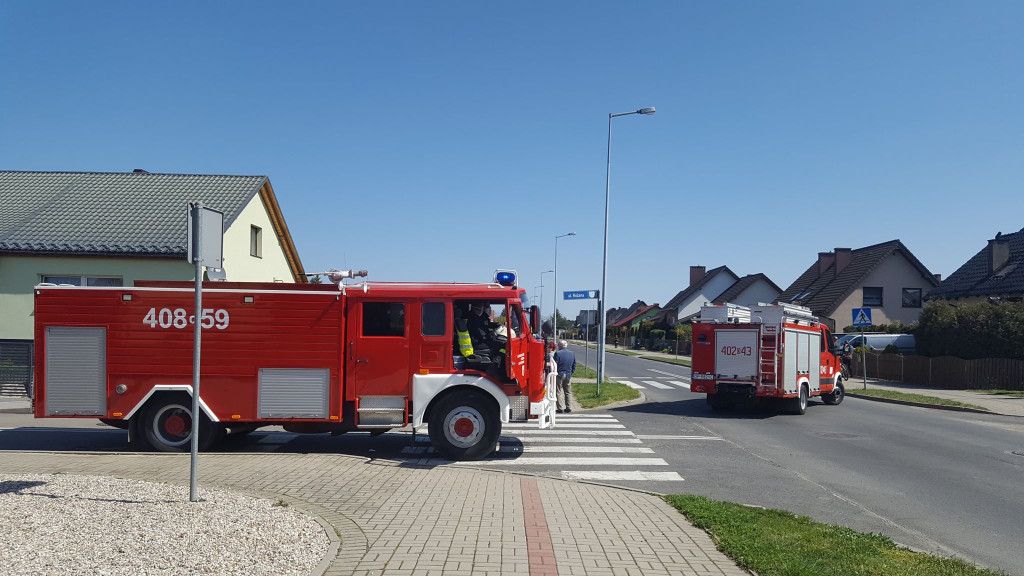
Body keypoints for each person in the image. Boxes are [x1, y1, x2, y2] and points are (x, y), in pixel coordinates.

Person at [553, 340, 576, 413]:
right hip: (568, 375)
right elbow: (574, 364)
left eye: (558, 345)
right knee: (568, 392)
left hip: (559, 374)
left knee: (558, 391)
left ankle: (560, 408)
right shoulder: (572, 353)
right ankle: (568, 407)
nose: (557, 347)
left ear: (560, 346)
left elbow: (554, 365)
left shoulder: (557, 353)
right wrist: (571, 372)